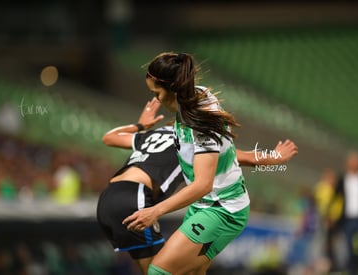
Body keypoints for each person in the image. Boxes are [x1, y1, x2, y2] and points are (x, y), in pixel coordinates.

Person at [122, 52, 298, 275]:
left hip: (223, 209)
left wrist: (154, 212)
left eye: (156, 93)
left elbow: (203, 184)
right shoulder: (195, 98)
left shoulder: (200, 122)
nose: (155, 99)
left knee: (159, 271)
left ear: (173, 90)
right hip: (204, 205)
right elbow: (227, 154)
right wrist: (267, 157)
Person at [314, 168, 342, 270]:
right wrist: (326, 217)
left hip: (335, 220)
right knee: (325, 242)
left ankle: (331, 265)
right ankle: (325, 265)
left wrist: (335, 217)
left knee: (333, 243)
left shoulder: (337, 189)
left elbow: (339, 204)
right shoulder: (322, 188)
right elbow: (322, 204)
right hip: (326, 220)